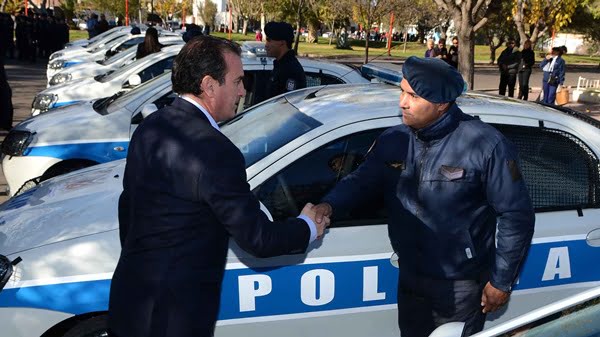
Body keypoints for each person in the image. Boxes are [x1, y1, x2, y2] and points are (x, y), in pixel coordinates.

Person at [107, 35, 330, 337]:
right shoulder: (215, 152)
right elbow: (258, 238)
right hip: (173, 319)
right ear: (210, 85)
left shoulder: (153, 126)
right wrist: (307, 226)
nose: (243, 90)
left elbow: (128, 210)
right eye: (237, 81)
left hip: (131, 301)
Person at [312, 57, 535, 337]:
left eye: (413, 96)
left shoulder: (486, 145)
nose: (402, 102)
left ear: (442, 104)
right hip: (411, 278)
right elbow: (361, 182)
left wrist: (502, 281)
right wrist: (329, 204)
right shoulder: (394, 140)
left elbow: (516, 215)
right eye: (402, 92)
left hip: (460, 285)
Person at [264, 21, 306, 99]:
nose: (266, 45)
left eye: (269, 40)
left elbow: (286, 104)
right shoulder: (280, 65)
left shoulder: (291, 70)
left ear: (282, 42)